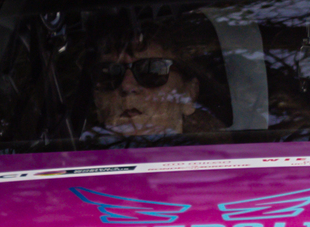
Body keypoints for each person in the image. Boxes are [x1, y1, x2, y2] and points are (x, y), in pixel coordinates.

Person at [91, 19, 227, 142]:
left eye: (151, 71)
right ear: (96, 99)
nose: (126, 86)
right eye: (110, 73)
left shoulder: (223, 160)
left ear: (190, 93)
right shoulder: (72, 156)